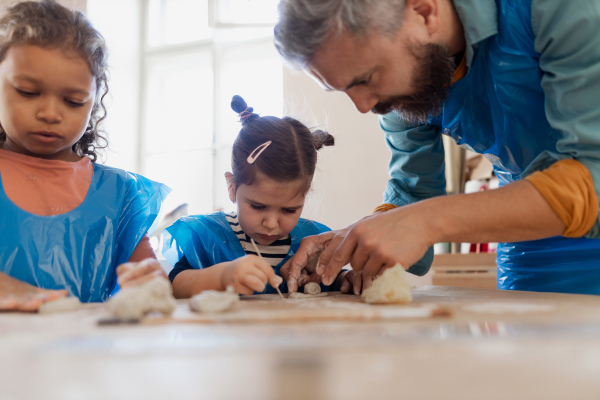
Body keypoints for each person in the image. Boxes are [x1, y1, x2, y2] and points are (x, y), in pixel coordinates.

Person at [273, 0, 600, 295]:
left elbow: (593, 176)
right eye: (344, 89)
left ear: (425, 12)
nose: (364, 106)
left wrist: (427, 221)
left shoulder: (557, 7)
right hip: (529, 253)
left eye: (367, 77)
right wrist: (355, 241)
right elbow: (414, 195)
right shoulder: (398, 94)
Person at [0, 0, 170, 311]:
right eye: (27, 91)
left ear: (94, 102)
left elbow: (152, 283)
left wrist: (148, 284)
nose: (50, 113)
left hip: (84, 356)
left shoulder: (119, 195)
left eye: (73, 101)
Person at [162, 95, 353, 297]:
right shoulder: (209, 237)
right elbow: (174, 286)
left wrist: (345, 278)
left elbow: (329, 280)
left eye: (289, 210)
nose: (271, 224)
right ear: (232, 187)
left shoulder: (311, 241)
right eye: (258, 206)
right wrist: (220, 277)